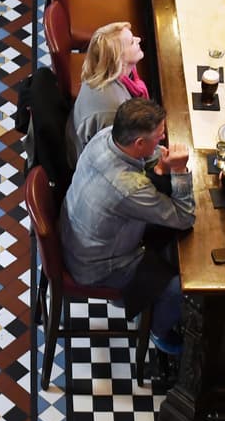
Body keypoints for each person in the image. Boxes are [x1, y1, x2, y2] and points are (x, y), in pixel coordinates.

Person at [60, 98, 194, 354]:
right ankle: (157, 330)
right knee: (180, 286)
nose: (163, 139)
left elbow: (149, 158)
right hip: (97, 268)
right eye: (159, 136)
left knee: (166, 237)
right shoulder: (128, 188)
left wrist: (162, 164)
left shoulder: (105, 137)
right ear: (139, 143)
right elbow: (185, 216)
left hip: (74, 237)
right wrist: (179, 171)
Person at [66, 21, 149, 164]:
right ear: (119, 59)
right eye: (131, 42)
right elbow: (119, 158)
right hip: (89, 162)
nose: (138, 39)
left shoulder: (100, 70)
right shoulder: (114, 110)